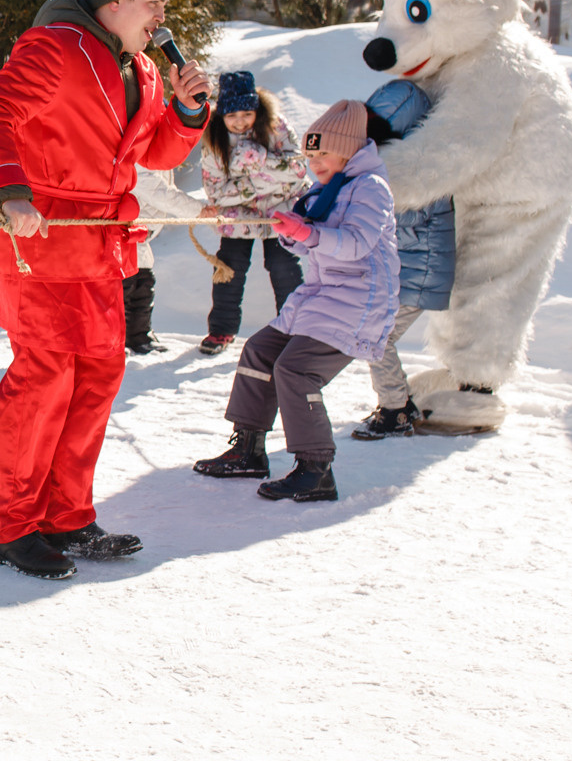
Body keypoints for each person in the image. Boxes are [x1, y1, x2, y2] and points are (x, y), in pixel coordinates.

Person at [0, 0, 210, 579]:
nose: (162, 15)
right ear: (116, 1)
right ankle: (12, 527)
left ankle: (66, 516)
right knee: (43, 383)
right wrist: (11, 193)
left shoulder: (144, 71)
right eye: (154, 2)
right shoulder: (56, 47)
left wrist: (186, 111)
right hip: (40, 247)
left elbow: (153, 153)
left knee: (98, 378)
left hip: (101, 252)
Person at [192, 101, 400, 501]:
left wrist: (308, 234)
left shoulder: (370, 188)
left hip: (359, 301)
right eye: (310, 156)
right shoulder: (330, 187)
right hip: (323, 297)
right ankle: (249, 450)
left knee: (296, 369)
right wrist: (293, 233)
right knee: (259, 351)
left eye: (323, 154)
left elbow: (356, 243)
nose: (314, 164)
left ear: (349, 151)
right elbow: (314, 243)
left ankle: (315, 469)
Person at [352, 80, 456, 439]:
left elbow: (409, 219)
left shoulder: (419, 167)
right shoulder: (400, 162)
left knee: (377, 338)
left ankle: (395, 410)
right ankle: (400, 403)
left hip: (420, 272)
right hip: (411, 270)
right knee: (374, 336)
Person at [196, 71, 310, 354]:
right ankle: (221, 329)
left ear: (258, 110)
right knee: (229, 267)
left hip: (280, 211)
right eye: (232, 115)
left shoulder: (275, 127)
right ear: (221, 115)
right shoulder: (215, 138)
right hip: (239, 215)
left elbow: (297, 170)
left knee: (283, 265)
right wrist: (266, 181)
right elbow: (217, 192)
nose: (240, 121)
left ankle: (295, 328)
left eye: (247, 114)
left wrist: (259, 161)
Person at [124, 162, 203, 356]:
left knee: (143, 283)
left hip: (142, 231)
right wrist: (197, 209)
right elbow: (155, 189)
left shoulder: (158, 154)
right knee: (123, 287)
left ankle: (139, 335)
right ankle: (116, 338)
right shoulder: (138, 153)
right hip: (126, 227)